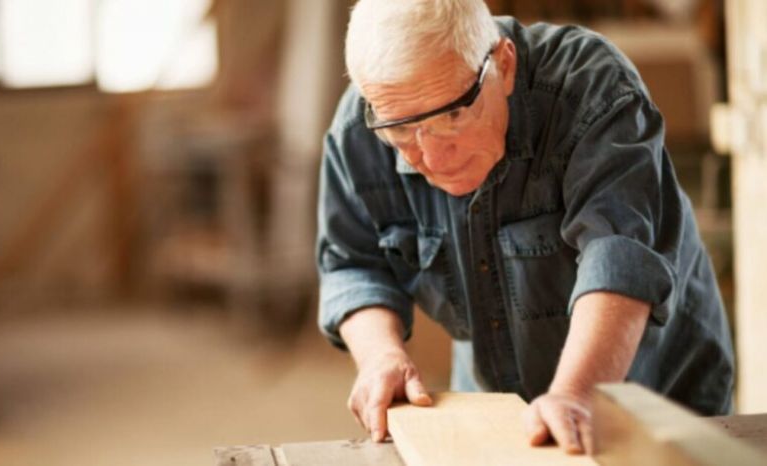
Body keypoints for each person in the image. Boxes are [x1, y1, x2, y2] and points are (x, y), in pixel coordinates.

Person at [315, 0, 734, 454]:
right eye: (402, 131)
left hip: (649, 386)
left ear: (504, 64)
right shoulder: (361, 125)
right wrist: (381, 357)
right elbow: (353, 262)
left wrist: (577, 393)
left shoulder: (590, 88)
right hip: (491, 399)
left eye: (452, 115)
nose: (433, 159)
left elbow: (619, 254)